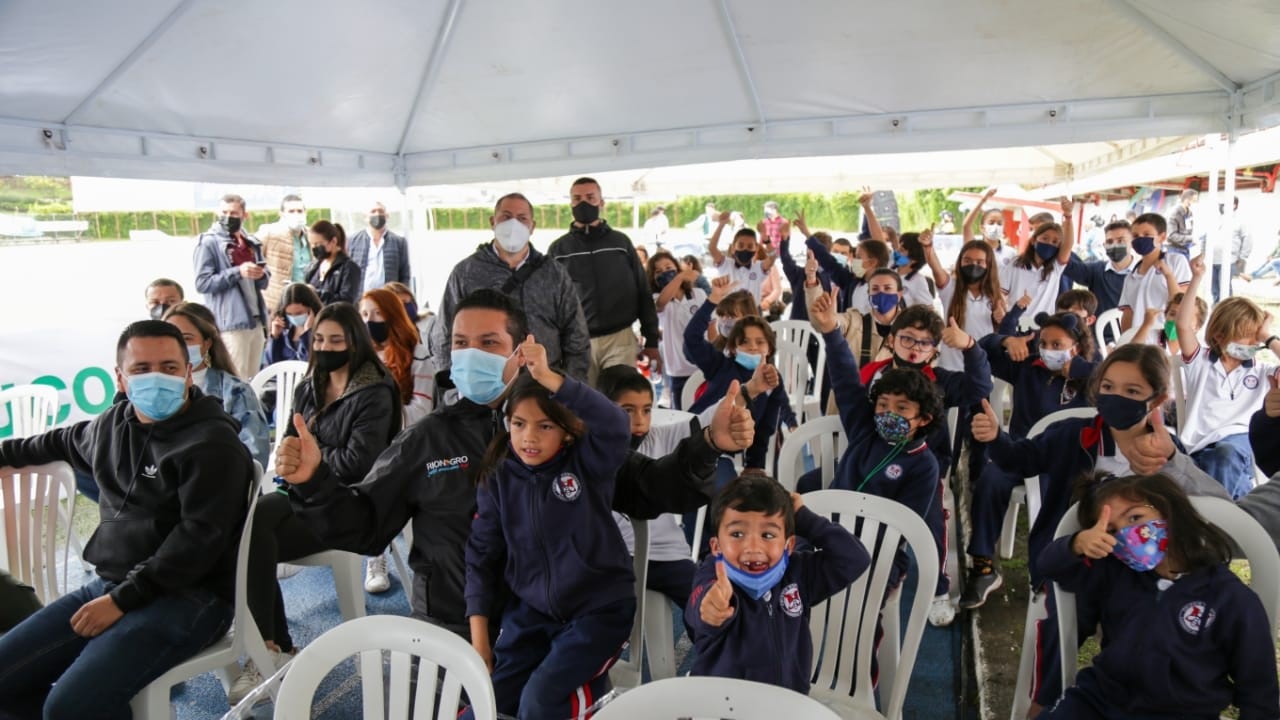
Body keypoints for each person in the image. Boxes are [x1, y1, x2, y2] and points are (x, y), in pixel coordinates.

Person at [278, 289, 756, 644]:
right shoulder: (428, 439)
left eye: (488, 342)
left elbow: (649, 487)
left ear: (518, 350)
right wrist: (315, 481)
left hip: (554, 627)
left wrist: (709, 443)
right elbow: (364, 526)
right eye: (462, 342)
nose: (472, 353)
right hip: (453, 630)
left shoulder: (562, 427)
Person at [0, 320, 252, 718]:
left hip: (188, 595)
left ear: (188, 372)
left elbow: (198, 542)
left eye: (169, 368)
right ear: (120, 377)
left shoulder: (213, 444)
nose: (157, 378)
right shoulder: (110, 428)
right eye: (141, 369)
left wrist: (121, 600)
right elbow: (51, 442)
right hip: (112, 583)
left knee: (69, 707)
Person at [971, 343, 1234, 714]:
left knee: (1158, 624)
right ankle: (1040, 703)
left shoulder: (1165, 449)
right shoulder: (1071, 435)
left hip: (1143, 572)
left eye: (1132, 391)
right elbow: (1020, 459)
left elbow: (1220, 508)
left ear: (1156, 400)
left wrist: (1175, 461)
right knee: (1064, 615)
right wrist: (995, 437)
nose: (1115, 397)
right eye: (1108, 387)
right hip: (1076, 560)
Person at [231, 302, 401, 700]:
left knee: (253, 530)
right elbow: (291, 442)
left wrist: (312, 461)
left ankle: (272, 648)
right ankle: (273, 647)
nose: (325, 347)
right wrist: (309, 461)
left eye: (336, 340)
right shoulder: (311, 384)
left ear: (355, 342)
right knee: (251, 526)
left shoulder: (375, 390)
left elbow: (360, 464)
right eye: (319, 338)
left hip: (351, 505)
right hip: (305, 493)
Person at [463, 338, 634, 719]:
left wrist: (552, 379)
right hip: (531, 615)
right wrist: (480, 643)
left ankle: (593, 701)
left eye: (544, 426)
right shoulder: (498, 477)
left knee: (539, 702)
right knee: (484, 705)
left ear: (568, 432)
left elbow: (616, 424)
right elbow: (480, 557)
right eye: (519, 424)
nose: (529, 437)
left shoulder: (587, 463)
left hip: (599, 612)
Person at [1037, 472, 1278, 719]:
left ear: (1170, 512)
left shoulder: (1231, 598)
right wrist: (1077, 543)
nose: (1126, 533)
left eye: (1135, 517)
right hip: (1101, 701)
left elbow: (1259, 691)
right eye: (1112, 530)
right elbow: (1049, 566)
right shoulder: (1113, 571)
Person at [685, 473, 869, 694]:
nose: (753, 547)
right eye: (737, 533)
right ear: (716, 547)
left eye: (768, 535)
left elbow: (855, 558)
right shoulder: (713, 575)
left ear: (789, 545)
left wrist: (804, 518)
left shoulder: (799, 572)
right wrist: (711, 609)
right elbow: (701, 607)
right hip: (721, 706)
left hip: (786, 703)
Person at [961, 311, 1096, 608]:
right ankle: (984, 565)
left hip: (1065, 463)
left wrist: (1084, 370)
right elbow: (982, 349)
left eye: (1058, 344)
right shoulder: (1028, 368)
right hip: (1021, 452)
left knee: (1055, 501)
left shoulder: (1091, 379)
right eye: (1044, 342)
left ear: (1076, 346)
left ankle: (1050, 574)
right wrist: (1006, 340)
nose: (1049, 350)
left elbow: (1114, 377)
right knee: (990, 480)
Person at [436, 193, 590, 381]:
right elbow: (444, 334)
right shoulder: (466, 273)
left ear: (532, 226)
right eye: (506, 217)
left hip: (542, 386)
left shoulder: (554, 273)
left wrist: (569, 389)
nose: (514, 224)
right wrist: (454, 388)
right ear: (493, 222)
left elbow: (576, 335)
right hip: (484, 385)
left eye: (522, 218)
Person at [1175, 257, 1280, 499]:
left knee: (1224, 457)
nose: (1255, 344)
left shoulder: (1261, 371)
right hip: (1199, 446)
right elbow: (1182, 325)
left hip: (1240, 444)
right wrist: (1196, 279)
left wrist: (1268, 337)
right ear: (1221, 336)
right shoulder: (1200, 361)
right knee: (1213, 466)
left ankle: (1217, 522)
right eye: (1249, 337)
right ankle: (1238, 509)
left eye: (1258, 339)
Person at [598, 366, 697, 608]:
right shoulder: (589, 450)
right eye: (627, 411)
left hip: (668, 556)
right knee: (600, 619)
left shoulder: (660, 437)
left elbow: (707, 424)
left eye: (646, 410)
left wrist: (748, 392)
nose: (640, 421)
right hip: (612, 559)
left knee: (707, 607)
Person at [547, 177, 661, 386]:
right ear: (570, 203)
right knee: (584, 407)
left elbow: (642, 291)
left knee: (621, 401)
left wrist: (651, 340)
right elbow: (550, 301)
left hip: (620, 338)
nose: (583, 203)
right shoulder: (558, 250)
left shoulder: (620, 243)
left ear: (601, 202)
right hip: (578, 343)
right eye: (577, 198)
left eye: (590, 197)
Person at [683, 279, 796, 472]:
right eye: (744, 341)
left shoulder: (771, 378)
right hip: (697, 440)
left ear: (769, 349)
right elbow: (691, 338)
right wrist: (712, 301)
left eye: (759, 342)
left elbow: (765, 427)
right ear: (734, 348)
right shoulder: (719, 363)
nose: (752, 347)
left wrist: (754, 465)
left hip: (729, 449)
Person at [164, 302, 270, 468]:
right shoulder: (152, 391)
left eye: (186, 338)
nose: (177, 347)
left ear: (207, 343)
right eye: (170, 339)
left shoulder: (235, 392)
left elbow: (254, 453)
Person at [193, 193, 270, 379]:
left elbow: (265, 281)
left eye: (234, 213)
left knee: (253, 378)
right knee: (235, 378)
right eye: (224, 212)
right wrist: (237, 272)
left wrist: (261, 274)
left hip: (256, 319)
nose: (228, 217)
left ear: (245, 215)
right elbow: (202, 282)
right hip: (230, 323)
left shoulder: (251, 242)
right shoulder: (209, 242)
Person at [927, 237, 1005, 373]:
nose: (973, 265)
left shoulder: (995, 295)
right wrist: (928, 247)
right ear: (960, 262)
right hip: (950, 368)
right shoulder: (950, 288)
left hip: (982, 368)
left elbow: (1001, 332)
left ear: (989, 265)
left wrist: (1002, 319)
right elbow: (936, 268)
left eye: (979, 262)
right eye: (967, 261)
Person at [1000, 199, 1075, 328]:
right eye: (1045, 238)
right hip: (1016, 325)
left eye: (1055, 242)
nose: (1049, 243)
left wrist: (1068, 216)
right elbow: (1001, 294)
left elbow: (1068, 244)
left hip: (1043, 327)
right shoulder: (1015, 264)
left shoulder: (1056, 267)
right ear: (1034, 240)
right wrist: (1002, 314)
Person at [1118, 213, 1191, 344]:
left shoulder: (1175, 261)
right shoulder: (1130, 276)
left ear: (1162, 237)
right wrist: (1125, 342)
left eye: (1146, 234)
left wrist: (1168, 276)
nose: (1140, 239)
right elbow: (1127, 314)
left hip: (1168, 339)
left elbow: (1182, 304)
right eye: (1135, 236)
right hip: (1139, 340)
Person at [648, 251, 706, 410]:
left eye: (668, 267)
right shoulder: (656, 299)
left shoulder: (698, 294)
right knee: (681, 416)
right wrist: (680, 277)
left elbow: (711, 325)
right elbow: (661, 303)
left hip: (702, 367)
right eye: (658, 271)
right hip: (677, 369)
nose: (665, 273)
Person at [1064, 219, 1135, 321]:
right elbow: (1067, 263)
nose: (1115, 245)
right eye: (1110, 241)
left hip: (1132, 334)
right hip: (1098, 334)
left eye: (1121, 240)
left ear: (1132, 243)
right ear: (1104, 245)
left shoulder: (1142, 274)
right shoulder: (1095, 270)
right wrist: (1068, 219)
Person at [708, 210, 776, 307]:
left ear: (756, 248)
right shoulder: (725, 265)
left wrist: (766, 238)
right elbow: (712, 248)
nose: (745, 249)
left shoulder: (758, 268)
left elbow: (772, 258)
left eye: (749, 246)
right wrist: (721, 225)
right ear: (732, 248)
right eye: (740, 245)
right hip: (729, 314)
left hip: (753, 313)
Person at [258, 194, 311, 312]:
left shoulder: (310, 235)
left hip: (306, 300)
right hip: (278, 301)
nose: (296, 214)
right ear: (282, 214)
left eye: (299, 211)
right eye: (291, 211)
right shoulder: (269, 232)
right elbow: (253, 258)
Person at [347, 201, 411, 295]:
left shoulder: (399, 242)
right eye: (373, 211)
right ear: (365, 217)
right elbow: (348, 272)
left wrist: (402, 296)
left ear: (387, 216)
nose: (377, 214)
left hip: (389, 299)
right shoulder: (353, 241)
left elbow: (404, 273)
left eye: (381, 211)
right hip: (361, 299)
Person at [305, 220, 361, 306]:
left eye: (317, 244)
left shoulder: (349, 267)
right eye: (311, 244)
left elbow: (347, 301)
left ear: (333, 241)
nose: (314, 248)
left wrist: (316, 293)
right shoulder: (313, 267)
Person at [266, 282, 323, 364]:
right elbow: (271, 363)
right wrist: (275, 337)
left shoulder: (323, 329)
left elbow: (313, 361)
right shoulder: (284, 328)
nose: (294, 317)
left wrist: (308, 333)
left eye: (299, 313)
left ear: (311, 309)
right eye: (289, 314)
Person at [1210, 196, 1252, 303]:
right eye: (1222, 204)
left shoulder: (1240, 221)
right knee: (1214, 289)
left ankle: (1226, 313)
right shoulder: (1216, 219)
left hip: (1229, 260)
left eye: (1226, 204)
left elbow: (1247, 239)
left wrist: (1242, 258)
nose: (1223, 206)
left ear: (1234, 205)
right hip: (1212, 259)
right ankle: (1216, 312)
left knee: (1224, 289)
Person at [962, 187, 1019, 265]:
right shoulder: (975, 248)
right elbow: (966, 226)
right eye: (991, 223)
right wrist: (983, 200)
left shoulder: (1011, 253)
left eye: (999, 224)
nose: (995, 226)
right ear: (982, 228)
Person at [1165, 187, 1198, 258]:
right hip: (1173, 249)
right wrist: (1191, 238)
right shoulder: (1174, 213)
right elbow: (1171, 235)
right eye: (1194, 200)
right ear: (1187, 200)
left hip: (1185, 248)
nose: (1196, 203)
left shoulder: (1189, 213)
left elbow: (1188, 230)